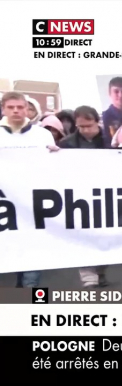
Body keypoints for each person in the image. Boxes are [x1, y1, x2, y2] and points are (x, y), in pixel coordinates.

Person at [0, 92, 58, 288]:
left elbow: (52, 169)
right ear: (3, 109)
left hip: (32, 206)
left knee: (32, 259)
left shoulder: (43, 135)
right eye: (11, 107)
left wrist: (57, 156)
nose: (16, 110)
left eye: (20, 107)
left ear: (26, 108)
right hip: (4, 207)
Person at [58, 106, 110, 286]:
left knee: (105, 237)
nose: (85, 130)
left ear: (97, 122)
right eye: (81, 127)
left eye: (89, 126)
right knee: (84, 236)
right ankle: (89, 278)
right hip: (80, 197)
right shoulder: (66, 143)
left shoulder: (110, 140)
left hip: (107, 195)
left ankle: (100, 270)